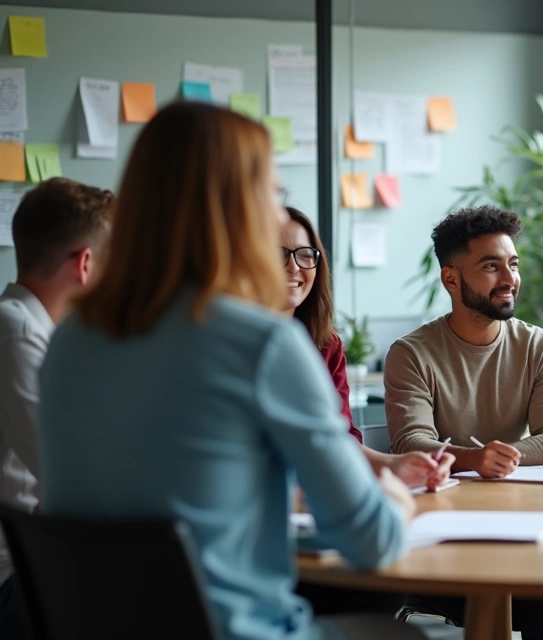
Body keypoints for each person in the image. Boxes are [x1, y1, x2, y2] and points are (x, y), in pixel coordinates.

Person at [37, 102, 422, 640]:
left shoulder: (70, 341)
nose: (276, 212)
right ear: (239, 208)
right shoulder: (263, 343)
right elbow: (372, 542)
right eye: (272, 194)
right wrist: (398, 501)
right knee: (399, 633)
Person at [384, 205, 543, 640]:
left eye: (512, 264)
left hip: (520, 530)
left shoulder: (540, 347)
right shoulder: (411, 354)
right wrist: (473, 459)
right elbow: (410, 442)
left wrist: (500, 458)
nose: (509, 278)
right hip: (440, 540)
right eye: (491, 266)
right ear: (451, 280)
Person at [0, 178, 114, 640]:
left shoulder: (38, 331)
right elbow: (70, 472)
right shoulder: (18, 333)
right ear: (86, 264)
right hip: (16, 573)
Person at [280, 206, 452, 492]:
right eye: (279, 254)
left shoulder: (325, 345)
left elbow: (338, 439)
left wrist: (395, 465)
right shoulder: (228, 342)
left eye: (306, 254)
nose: (295, 267)